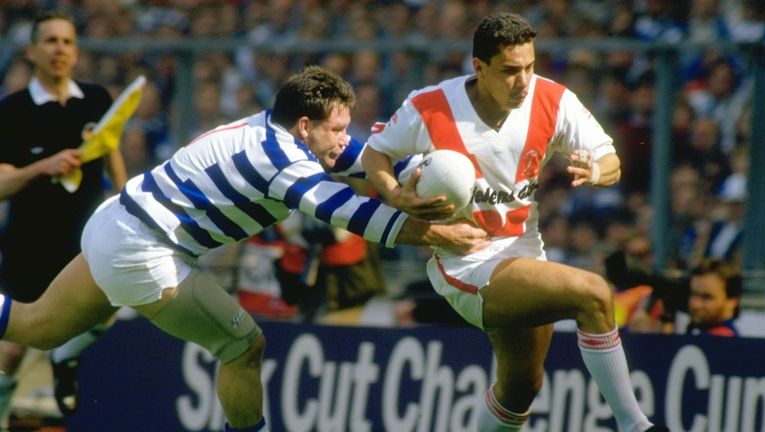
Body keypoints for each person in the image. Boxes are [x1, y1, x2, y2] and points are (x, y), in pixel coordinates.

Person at [0, 65, 488, 431]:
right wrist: (439, 233)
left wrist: (409, 176)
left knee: (36, 327)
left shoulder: (273, 129)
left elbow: (359, 158)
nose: (345, 138)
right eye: (336, 129)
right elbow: (354, 215)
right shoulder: (282, 162)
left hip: (117, 222)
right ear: (304, 126)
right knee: (242, 347)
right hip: (141, 249)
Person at [362, 12, 668, 432]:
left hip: (523, 251)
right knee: (594, 293)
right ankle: (635, 425)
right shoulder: (430, 105)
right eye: (509, 71)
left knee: (521, 386)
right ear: (479, 67)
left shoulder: (551, 99)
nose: (523, 81)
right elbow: (375, 153)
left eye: (529, 67)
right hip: (465, 263)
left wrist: (596, 171)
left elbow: (610, 159)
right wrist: (395, 194)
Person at [0, 10, 127, 422]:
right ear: (32, 51)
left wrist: (128, 201)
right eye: (51, 41)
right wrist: (43, 166)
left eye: (68, 42)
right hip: (28, 245)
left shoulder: (95, 100)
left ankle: (65, 361)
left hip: (86, 241)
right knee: (11, 350)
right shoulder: (12, 111)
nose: (60, 49)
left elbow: (110, 150)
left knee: (111, 306)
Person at [685, 258, 741, 336]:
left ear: (732, 301)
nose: (696, 305)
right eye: (693, 295)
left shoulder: (720, 340)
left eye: (707, 297)